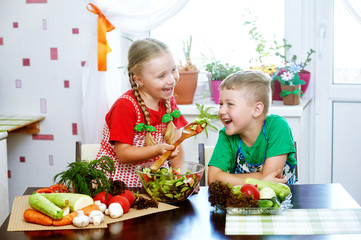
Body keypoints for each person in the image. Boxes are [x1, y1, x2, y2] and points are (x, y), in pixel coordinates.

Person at [96, 38, 188, 187]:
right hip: (118, 184)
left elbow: (176, 143)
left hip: (153, 181)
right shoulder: (125, 106)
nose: (171, 80)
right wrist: (158, 149)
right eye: (161, 75)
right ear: (139, 79)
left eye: (173, 70)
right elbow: (123, 154)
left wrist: (179, 177)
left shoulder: (168, 101)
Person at [208, 70, 297, 186]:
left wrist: (227, 178)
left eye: (230, 104)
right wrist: (259, 181)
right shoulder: (227, 135)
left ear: (256, 109)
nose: (221, 111)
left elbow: (271, 177)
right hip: (244, 201)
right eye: (221, 104)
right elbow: (213, 178)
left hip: (282, 201)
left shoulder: (277, 126)